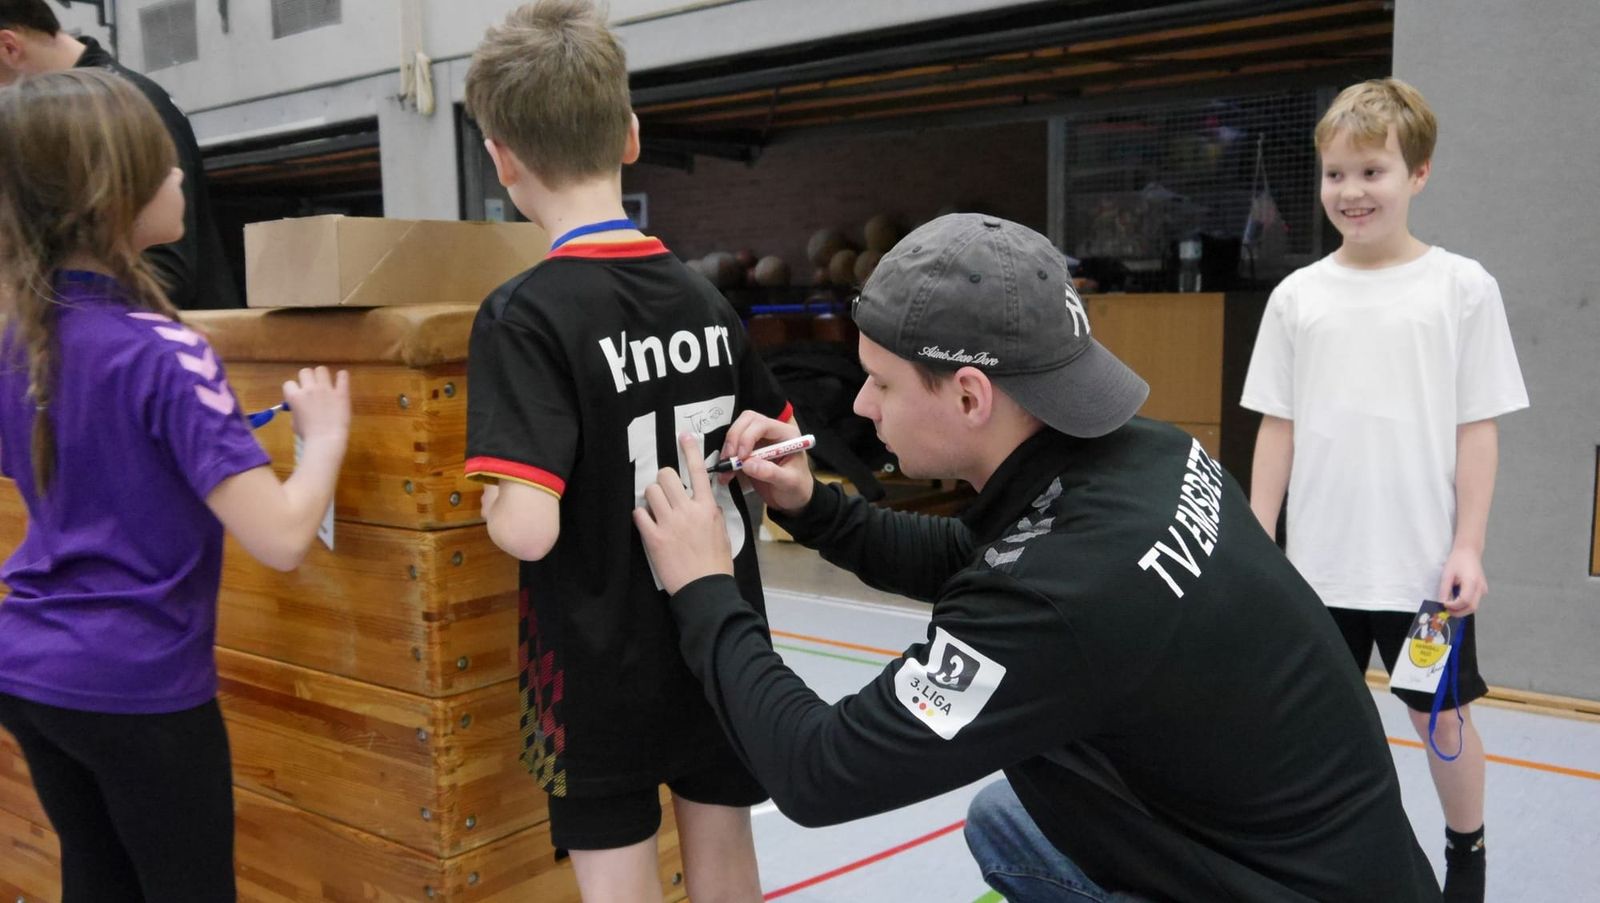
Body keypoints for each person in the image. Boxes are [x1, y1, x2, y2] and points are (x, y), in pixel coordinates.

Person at [634, 213, 1443, 902]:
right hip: (1343, 860)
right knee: (1005, 816)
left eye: (879, 382)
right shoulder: (1148, 455)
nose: (858, 403)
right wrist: (815, 506)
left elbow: (816, 768)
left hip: (1281, 884)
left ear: (967, 396)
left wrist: (705, 587)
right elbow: (975, 557)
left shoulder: (1064, 598)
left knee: (1010, 818)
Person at [460, 3, 789, 900]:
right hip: (717, 634)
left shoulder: (521, 314)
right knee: (725, 859)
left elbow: (528, 530)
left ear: (501, 158)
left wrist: (493, 495)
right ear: (633, 135)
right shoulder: (705, 299)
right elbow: (780, 452)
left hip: (595, 665)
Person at [0, 69, 349, 901]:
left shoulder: (21, 339)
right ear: (108, 194)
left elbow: (74, 454)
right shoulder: (168, 352)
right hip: (139, 689)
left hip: (29, 672)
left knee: (99, 878)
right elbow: (282, 536)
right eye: (162, 164)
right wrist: (325, 439)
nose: (182, 174)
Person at [1241, 77, 1528, 903]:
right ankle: (1319, 863)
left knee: (1438, 721)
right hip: (1315, 572)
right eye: (1336, 173)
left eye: (1373, 171)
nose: (1351, 191)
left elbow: (1479, 427)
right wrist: (1258, 539)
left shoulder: (1462, 289)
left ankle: (1466, 855)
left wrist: (1468, 544)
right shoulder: (1298, 297)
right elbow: (1278, 426)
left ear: (1419, 174)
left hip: (1420, 575)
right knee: (1308, 729)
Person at [0, 0, 243, 310]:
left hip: (163, 335)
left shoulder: (120, 108)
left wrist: (64, 321)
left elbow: (167, 268)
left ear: (9, 47)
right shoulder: (73, 113)